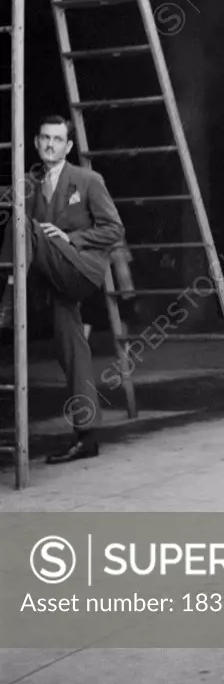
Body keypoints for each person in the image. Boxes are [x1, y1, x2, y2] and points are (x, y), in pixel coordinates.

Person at [0, 115, 125, 463]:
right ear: (37, 144)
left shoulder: (88, 180)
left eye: (57, 139)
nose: (50, 145)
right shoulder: (29, 181)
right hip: (51, 277)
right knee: (72, 350)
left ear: (68, 146)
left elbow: (114, 229)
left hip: (80, 268)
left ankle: (9, 299)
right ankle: (87, 436)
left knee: (22, 220)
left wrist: (71, 236)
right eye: (44, 139)